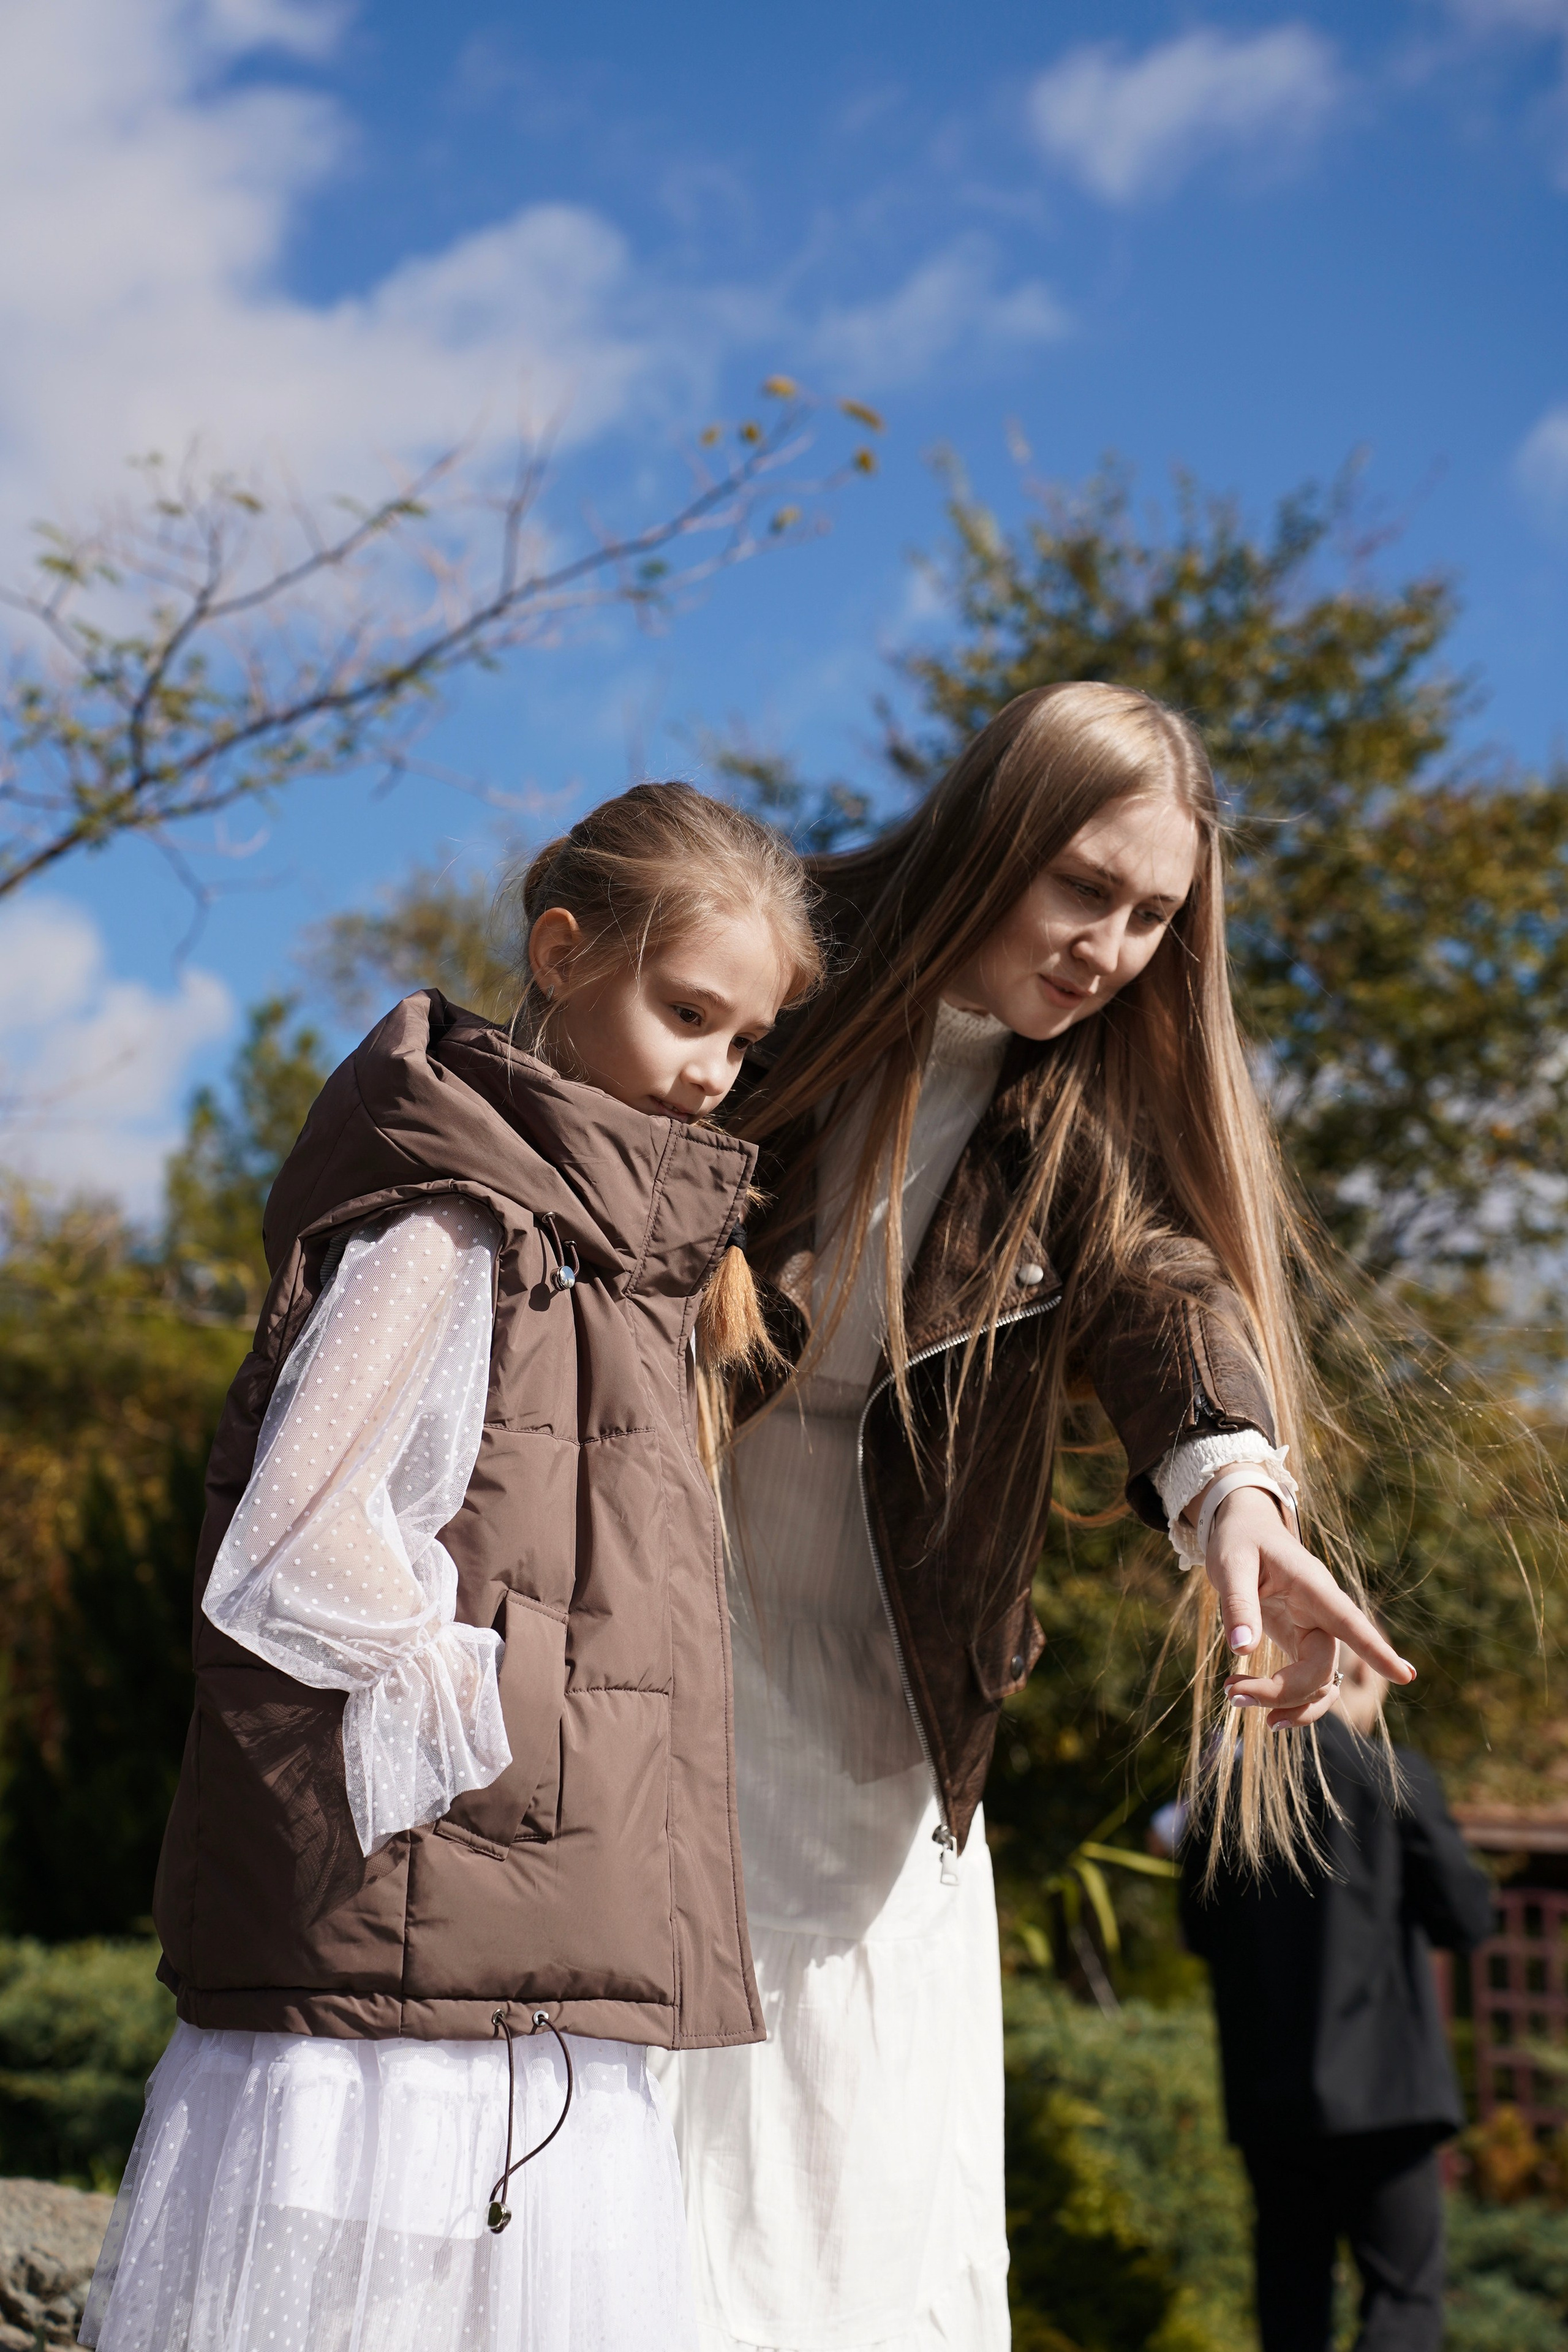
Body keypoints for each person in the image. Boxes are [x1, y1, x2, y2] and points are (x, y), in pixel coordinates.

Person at [654, 682, 1415, 2350]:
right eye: (1085, 886)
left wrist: (1235, 1487)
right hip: (658, 1593)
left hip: (896, 1654)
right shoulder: (764, 966)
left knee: (857, 2098)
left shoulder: (1074, 1108)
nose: (1112, 947)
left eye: (1154, 915)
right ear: (992, 833)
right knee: (662, 2086)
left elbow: (1165, 1290)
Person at [80, 783, 822, 2352]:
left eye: (744, 1039)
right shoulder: (453, 1219)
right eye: (687, 1010)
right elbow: (298, 1526)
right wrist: (452, 1688)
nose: (713, 1068)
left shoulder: (629, 1265)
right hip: (415, 1958)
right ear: (561, 953)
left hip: (533, 1947)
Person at [1179, 1654, 1495, 2352]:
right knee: (1402, 2297)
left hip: (1270, 2093)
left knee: (1291, 2302)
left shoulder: (1224, 1788)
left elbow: (1199, 1933)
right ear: (1357, 1675)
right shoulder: (1392, 1776)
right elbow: (1466, 1919)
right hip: (1388, 2089)